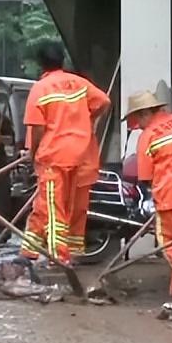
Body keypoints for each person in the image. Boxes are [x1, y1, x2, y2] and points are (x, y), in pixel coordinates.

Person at [21, 43, 110, 265]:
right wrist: (88, 119)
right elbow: (104, 102)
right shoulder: (78, 83)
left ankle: (59, 258)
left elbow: (37, 128)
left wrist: (33, 154)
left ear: (41, 64)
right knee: (71, 206)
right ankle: (34, 251)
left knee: (53, 207)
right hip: (82, 155)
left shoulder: (41, 88)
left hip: (54, 155)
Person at [127, 90, 172, 296]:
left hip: (171, 196)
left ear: (145, 114)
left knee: (171, 243)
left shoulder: (148, 136)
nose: (137, 125)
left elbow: (145, 178)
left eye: (136, 119)